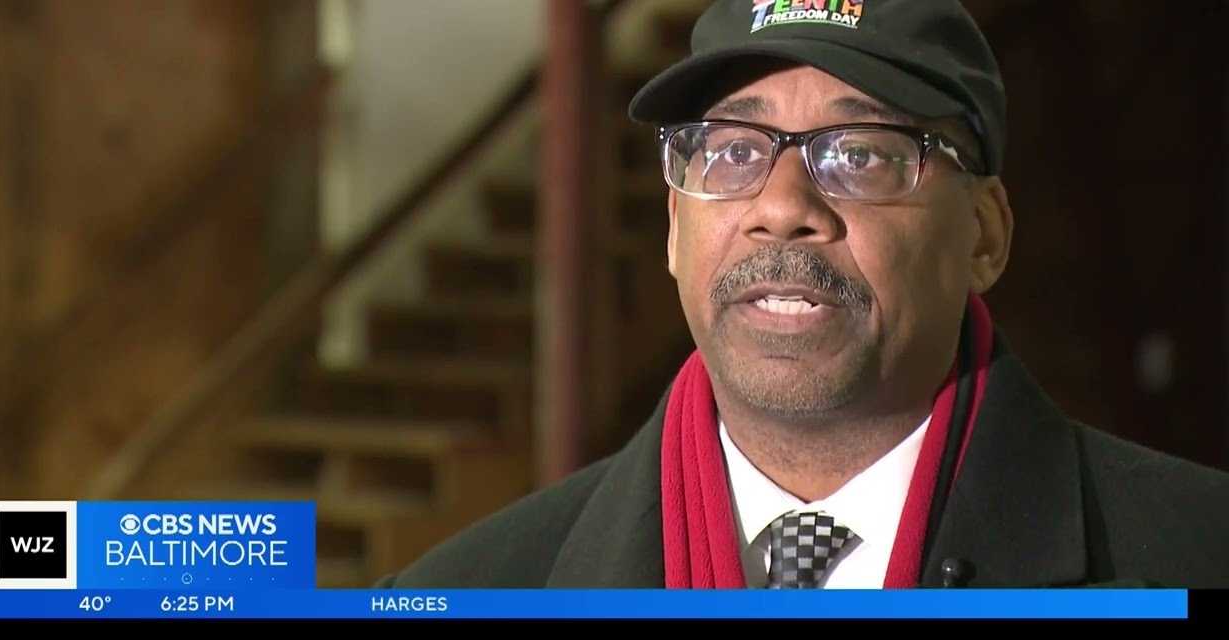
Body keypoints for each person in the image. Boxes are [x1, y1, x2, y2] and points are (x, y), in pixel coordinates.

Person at [376, 0, 1229, 589]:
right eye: (733, 150)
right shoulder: (476, 584)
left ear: (984, 233)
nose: (782, 209)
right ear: (675, 228)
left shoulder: (1197, 551)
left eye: (861, 153)